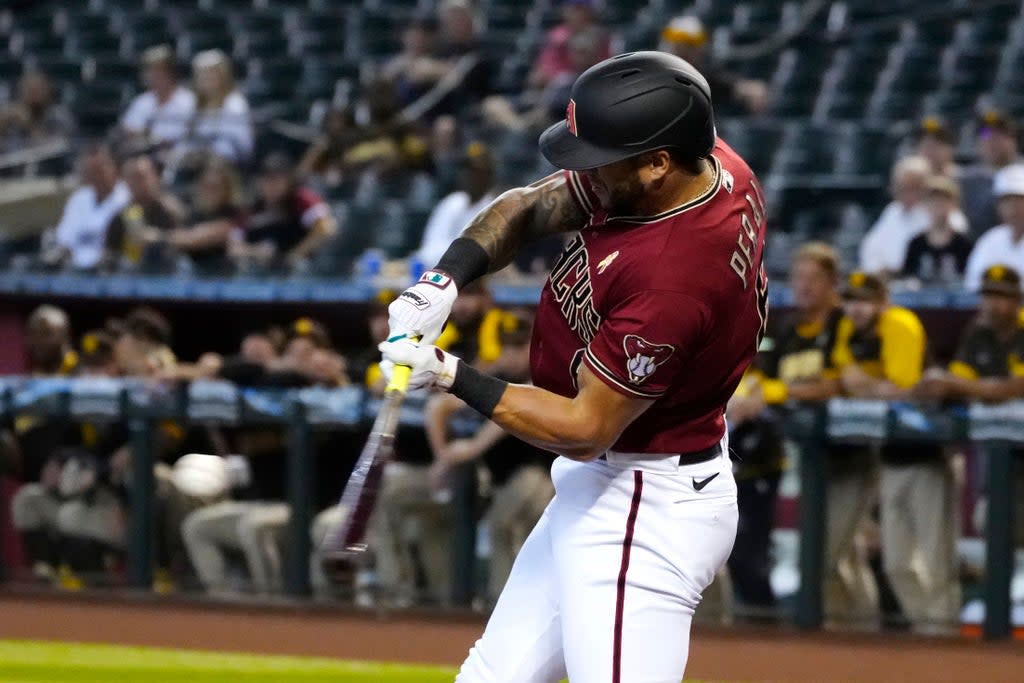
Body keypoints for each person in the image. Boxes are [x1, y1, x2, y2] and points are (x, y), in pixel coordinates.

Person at [380, 51, 765, 681]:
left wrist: (450, 373)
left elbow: (586, 428)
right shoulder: (707, 163)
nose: (582, 170)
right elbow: (530, 206)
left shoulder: (676, 277)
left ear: (657, 163)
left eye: (601, 158)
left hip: (647, 503)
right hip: (613, 482)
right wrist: (444, 280)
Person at [725, 243, 851, 618]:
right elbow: (765, 378)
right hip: (801, 451)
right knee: (829, 555)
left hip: (849, 452)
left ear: (833, 282)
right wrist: (747, 396)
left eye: (813, 279)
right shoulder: (790, 327)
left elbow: (840, 382)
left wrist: (775, 393)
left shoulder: (844, 323)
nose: (804, 287)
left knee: (835, 553)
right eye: (798, 278)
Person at [832, 272, 959, 634]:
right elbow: (846, 375)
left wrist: (867, 386)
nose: (857, 308)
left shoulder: (900, 323)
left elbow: (903, 387)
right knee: (897, 564)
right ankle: (929, 631)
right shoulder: (850, 328)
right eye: (852, 300)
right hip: (889, 460)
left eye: (865, 301)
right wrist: (875, 386)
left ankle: (949, 641)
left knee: (937, 560)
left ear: (883, 301)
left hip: (929, 457)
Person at [425, 312, 555, 605]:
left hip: (540, 473)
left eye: (519, 346)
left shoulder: (544, 373)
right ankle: (508, 602)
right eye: (506, 346)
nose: (512, 354)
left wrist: (472, 448)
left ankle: (507, 603)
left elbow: (513, 412)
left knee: (504, 525)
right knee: (505, 529)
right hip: (499, 477)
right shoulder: (496, 375)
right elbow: (437, 408)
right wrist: (442, 457)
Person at [916, 264, 1024, 553]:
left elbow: (1013, 388)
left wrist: (974, 387)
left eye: (1001, 296)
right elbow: (956, 381)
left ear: (1017, 299)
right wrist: (948, 382)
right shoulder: (977, 331)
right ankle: (1006, 594)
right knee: (990, 521)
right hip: (997, 445)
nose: (992, 303)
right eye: (987, 295)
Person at [859, 156, 967, 276]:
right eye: (902, 188)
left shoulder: (947, 214)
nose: (907, 194)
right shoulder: (892, 211)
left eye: (913, 188)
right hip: (892, 281)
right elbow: (870, 249)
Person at [229, 153, 336, 272]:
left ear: (289, 181)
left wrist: (292, 256)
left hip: (299, 273)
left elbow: (326, 229)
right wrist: (255, 251)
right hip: (258, 273)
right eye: (267, 179)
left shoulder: (302, 200)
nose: (271, 185)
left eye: (277, 180)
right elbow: (233, 248)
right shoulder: (250, 208)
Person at [43, 142, 131, 271]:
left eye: (100, 169)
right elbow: (65, 241)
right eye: (91, 171)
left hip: (111, 269)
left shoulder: (127, 197)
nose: (96, 176)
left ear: (114, 167)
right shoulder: (79, 199)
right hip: (74, 270)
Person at [660, 15, 767, 114]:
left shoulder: (702, 78)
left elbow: (736, 86)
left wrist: (749, 89)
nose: (686, 51)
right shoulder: (655, 74)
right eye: (681, 45)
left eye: (690, 45)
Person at [155, 158, 244, 273]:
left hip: (222, 280)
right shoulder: (196, 214)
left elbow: (193, 239)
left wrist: (158, 237)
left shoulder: (232, 215)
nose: (207, 192)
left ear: (226, 190)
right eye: (204, 185)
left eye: (214, 187)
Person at [416, 142, 498, 265]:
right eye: (466, 170)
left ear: (489, 175)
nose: (468, 176)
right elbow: (429, 250)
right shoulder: (451, 202)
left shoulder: (498, 208)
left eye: (475, 172)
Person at [105, 154, 186, 269]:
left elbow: (185, 242)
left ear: (154, 178)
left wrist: (158, 238)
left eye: (140, 177)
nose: (135, 183)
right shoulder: (123, 215)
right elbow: (111, 250)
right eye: (131, 178)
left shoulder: (170, 210)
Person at [176, 49, 253, 164]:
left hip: (228, 163)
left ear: (222, 76)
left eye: (210, 74)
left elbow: (241, 145)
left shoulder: (234, 103)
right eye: (201, 75)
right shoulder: (193, 104)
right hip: (198, 161)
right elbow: (187, 139)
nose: (205, 80)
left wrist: (207, 153)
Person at [899, 175, 973, 284]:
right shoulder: (916, 244)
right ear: (924, 204)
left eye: (943, 200)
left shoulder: (964, 244)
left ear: (954, 204)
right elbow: (907, 278)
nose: (938, 206)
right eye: (932, 201)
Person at [119, 45, 196, 148]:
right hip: (146, 152)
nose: (153, 77)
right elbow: (129, 128)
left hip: (178, 153)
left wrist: (152, 135)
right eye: (149, 72)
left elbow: (190, 132)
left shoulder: (188, 100)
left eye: (158, 72)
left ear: (171, 73)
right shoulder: (142, 101)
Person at [960, 110, 1021, 237]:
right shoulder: (965, 180)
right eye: (986, 135)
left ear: (1013, 140)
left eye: (999, 134)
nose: (992, 140)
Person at [965, 164, 1024, 290]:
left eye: (1019, 200)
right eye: (1007, 201)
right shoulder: (990, 240)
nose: (1013, 208)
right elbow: (973, 285)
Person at [529, 0, 610, 89]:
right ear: (565, 12)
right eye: (574, 10)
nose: (578, 14)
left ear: (590, 12)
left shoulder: (601, 36)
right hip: (560, 88)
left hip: (592, 85)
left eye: (581, 10)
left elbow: (606, 68)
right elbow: (545, 71)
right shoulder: (557, 36)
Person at [0, 69, 74, 155]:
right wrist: (2, 124)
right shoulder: (11, 114)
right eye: (29, 90)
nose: (33, 96)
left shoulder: (59, 116)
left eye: (37, 90)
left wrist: (30, 125)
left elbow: (53, 152)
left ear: (48, 92)